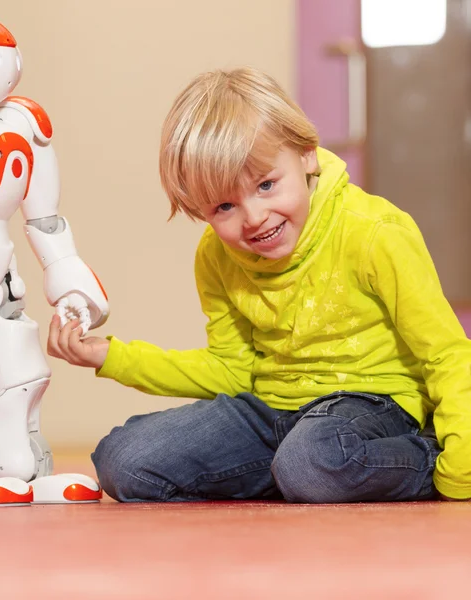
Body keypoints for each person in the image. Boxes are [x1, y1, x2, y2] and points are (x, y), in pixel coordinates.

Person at [47, 67, 471, 503]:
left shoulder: (375, 232)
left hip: (373, 404)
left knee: (311, 460)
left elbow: (444, 352)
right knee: (124, 461)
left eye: (267, 185)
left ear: (307, 155)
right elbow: (229, 369)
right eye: (224, 205)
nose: (253, 218)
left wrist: (461, 468)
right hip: (271, 408)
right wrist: (110, 355)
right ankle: (299, 476)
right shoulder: (215, 255)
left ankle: (399, 461)